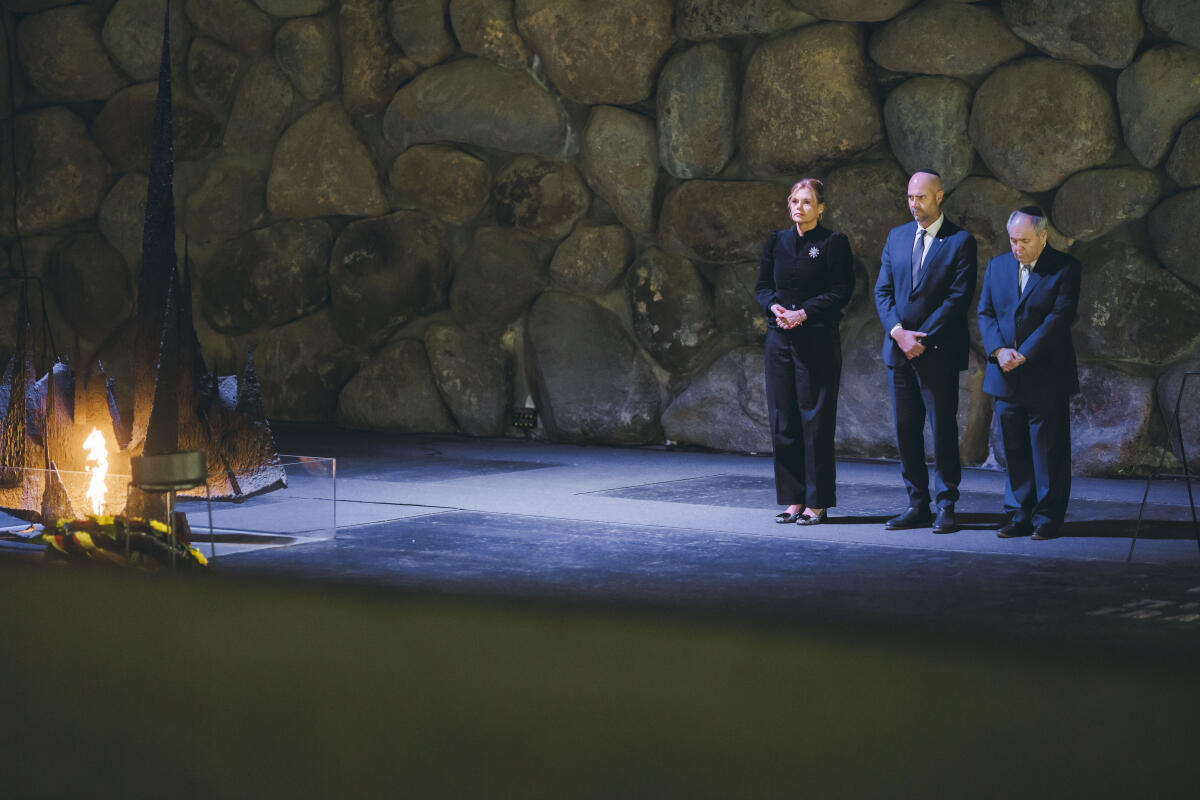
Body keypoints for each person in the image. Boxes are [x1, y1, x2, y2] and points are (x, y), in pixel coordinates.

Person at [874, 169, 977, 534]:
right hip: (899, 352)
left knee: (943, 432)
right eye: (910, 197)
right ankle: (916, 504)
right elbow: (883, 292)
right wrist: (899, 334)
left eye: (921, 197)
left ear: (939, 196)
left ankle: (946, 504)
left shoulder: (960, 241)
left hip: (938, 353)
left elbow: (958, 298)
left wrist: (921, 338)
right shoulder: (897, 236)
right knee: (906, 432)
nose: (914, 204)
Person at [977, 206, 1081, 540]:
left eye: (1024, 241)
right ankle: (1019, 514)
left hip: (1045, 375)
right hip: (1005, 373)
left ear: (1043, 236)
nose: (1017, 247)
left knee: (1049, 450)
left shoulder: (1065, 268)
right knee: (1015, 449)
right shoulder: (997, 266)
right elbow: (985, 313)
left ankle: (1047, 517)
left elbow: (1059, 317)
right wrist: (999, 351)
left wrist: (1023, 353)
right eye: (1012, 240)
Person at [755, 179, 854, 525]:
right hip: (779, 340)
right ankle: (793, 499)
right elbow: (763, 287)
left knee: (815, 422)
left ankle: (817, 502)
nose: (800, 207)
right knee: (783, 420)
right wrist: (775, 307)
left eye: (807, 202)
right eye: (795, 201)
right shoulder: (777, 241)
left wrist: (804, 313)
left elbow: (841, 291)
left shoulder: (833, 243)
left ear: (820, 208)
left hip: (816, 341)